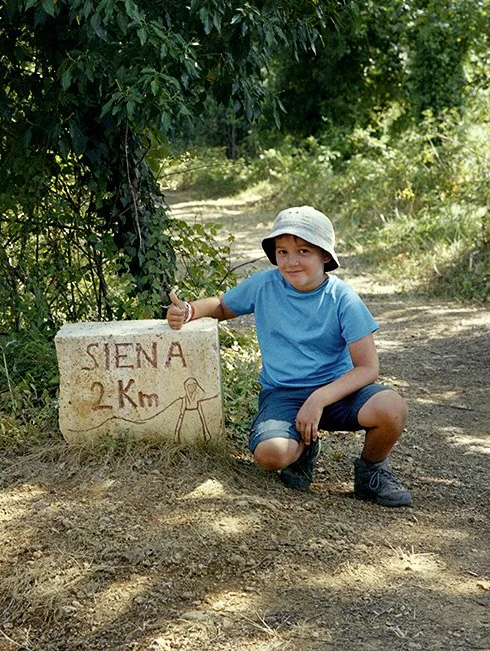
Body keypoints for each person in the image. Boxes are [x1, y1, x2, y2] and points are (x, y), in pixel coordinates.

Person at [167, 205, 412, 506]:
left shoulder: (342, 298)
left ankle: (371, 470)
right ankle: (304, 448)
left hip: (337, 394)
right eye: (282, 252)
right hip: (283, 393)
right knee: (272, 455)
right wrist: (189, 311)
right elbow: (221, 305)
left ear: (325, 255)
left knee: (391, 407)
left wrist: (318, 399)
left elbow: (367, 368)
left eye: (303, 251)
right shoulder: (265, 285)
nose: (291, 261)